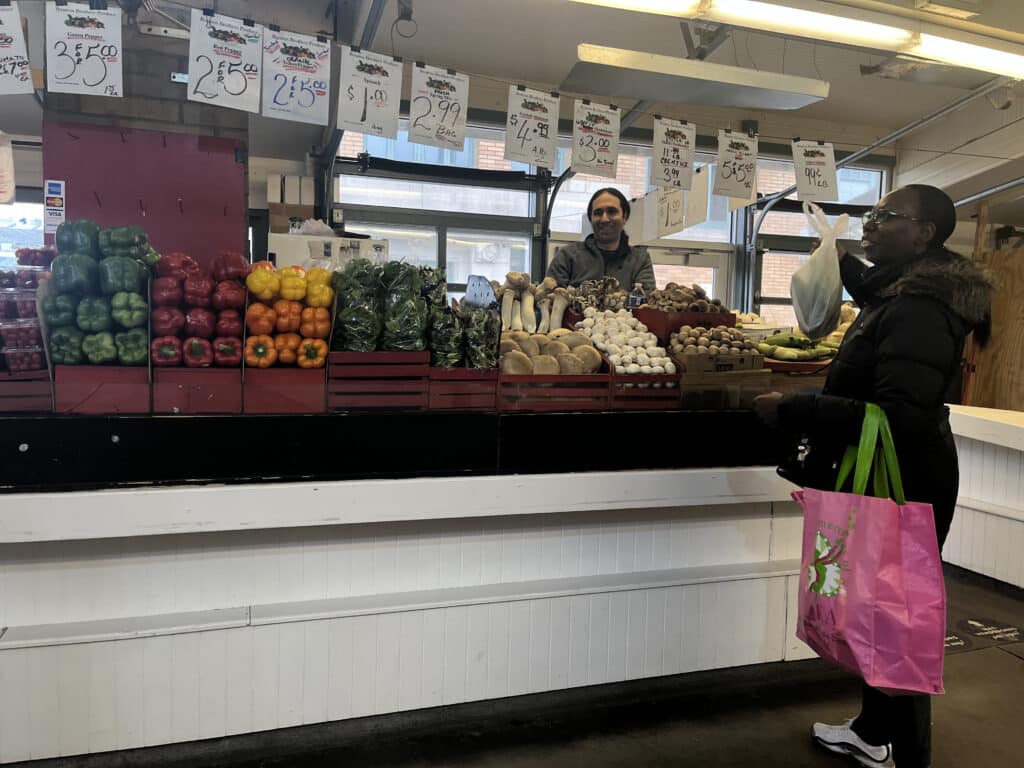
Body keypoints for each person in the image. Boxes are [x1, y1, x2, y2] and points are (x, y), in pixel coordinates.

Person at [754, 184, 992, 768]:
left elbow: (901, 416)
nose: (872, 221)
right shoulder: (905, 289)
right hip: (894, 475)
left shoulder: (919, 307)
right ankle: (873, 729)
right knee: (874, 607)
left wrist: (798, 405)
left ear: (923, 234)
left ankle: (906, 752)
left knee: (897, 615)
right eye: (872, 213)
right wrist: (836, 254)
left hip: (905, 479)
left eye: (887, 216)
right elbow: (870, 290)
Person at [547, 187, 656, 293]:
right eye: (598, 213)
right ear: (591, 219)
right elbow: (550, 300)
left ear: (625, 216)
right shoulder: (567, 256)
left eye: (612, 212)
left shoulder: (640, 261)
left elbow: (646, 306)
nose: (604, 219)